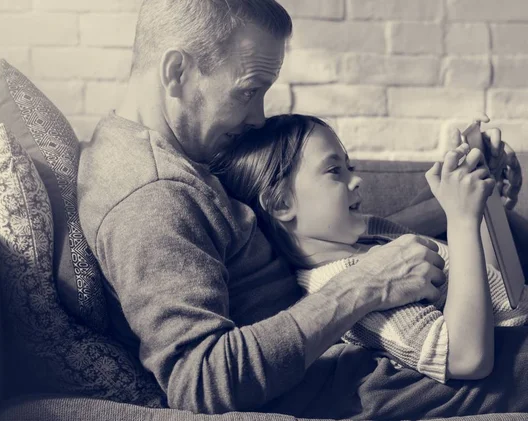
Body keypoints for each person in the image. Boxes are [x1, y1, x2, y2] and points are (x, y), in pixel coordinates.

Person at [76, 0, 526, 419]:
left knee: (514, 227)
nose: (258, 117)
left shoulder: (183, 151)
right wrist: (363, 285)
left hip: (391, 346)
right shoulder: (153, 198)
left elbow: (316, 237)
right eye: (248, 91)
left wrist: (466, 198)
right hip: (385, 377)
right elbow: (200, 383)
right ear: (177, 71)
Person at [211, 113, 528, 386]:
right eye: (335, 170)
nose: (357, 179)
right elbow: (464, 357)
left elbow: (491, 287)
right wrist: (460, 219)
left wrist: (486, 207)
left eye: (350, 166)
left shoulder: (372, 231)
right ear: (281, 203)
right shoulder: (341, 290)